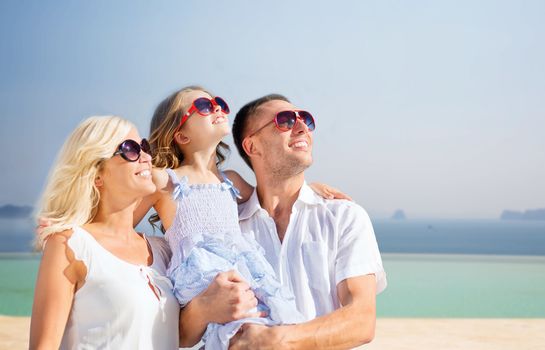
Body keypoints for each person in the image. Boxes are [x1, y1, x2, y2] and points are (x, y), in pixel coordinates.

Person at [135, 86, 345, 349]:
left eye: (218, 103)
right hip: (203, 276)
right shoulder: (165, 180)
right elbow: (121, 221)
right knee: (234, 333)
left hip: (244, 269)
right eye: (204, 106)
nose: (217, 109)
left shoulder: (230, 180)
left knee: (268, 322)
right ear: (181, 135)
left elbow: (271, 194)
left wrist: (310, 189)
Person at [183, 94, 387, 349]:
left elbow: (362, 320)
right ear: (252, 147)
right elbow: (181, 332)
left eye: (306, 119)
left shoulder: (344, 217)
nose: (302, 127)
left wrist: (277, 340)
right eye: (286, 121)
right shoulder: (225, 226)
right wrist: (202, 308)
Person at [29, 116, 180, 349]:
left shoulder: (163, 250)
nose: (147, 157)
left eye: (144, 147)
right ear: (97, 174)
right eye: (130, 149)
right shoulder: (70, 244)